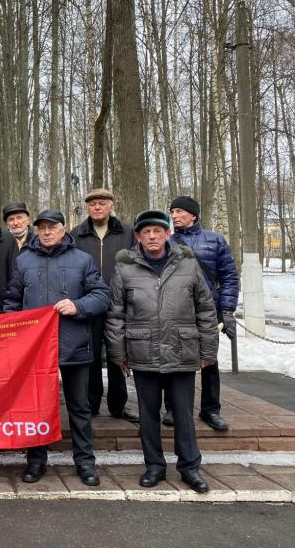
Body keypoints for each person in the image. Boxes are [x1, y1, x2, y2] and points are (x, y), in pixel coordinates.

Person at [106, 210, 217, 493]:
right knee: (148, 414)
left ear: (168, 234)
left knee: (183, 415)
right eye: (146, 232)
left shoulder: (189, 265)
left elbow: (205, 310)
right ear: (138, 237)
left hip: (182, 351)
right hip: (142, 353)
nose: (152, 236)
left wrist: (208, 351)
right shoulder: (125, 268)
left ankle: (190, 467)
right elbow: (116, 315)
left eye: (158, 231)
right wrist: (119, 354)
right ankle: (154, 466)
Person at [4, 209, 110, 487]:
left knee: (79, 408)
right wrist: (14, 335)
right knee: (36, 408)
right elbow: (12, 300)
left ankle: (85, 462)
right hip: (35, 349)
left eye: (52, 227)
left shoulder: (82, 260)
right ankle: (36, 461)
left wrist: (78, 306)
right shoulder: (24, 260)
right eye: (42, 228)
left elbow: (102, 295)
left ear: (64, 230)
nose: (47, 232)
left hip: (73, 344)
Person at [165, 195, 239, 431]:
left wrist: (227, 311)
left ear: (193, 214)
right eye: (172, 212)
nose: (174, 216)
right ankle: (173, 408)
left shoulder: (215, 241)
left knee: (209, 361)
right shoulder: (167, 241)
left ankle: (210, 409)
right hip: (175, 310)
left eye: (179, 211)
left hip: (208, 311)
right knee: (173, 360)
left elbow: (229, 277)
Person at [71, 188, 138, 423]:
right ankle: (91, 403)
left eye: (102, 203)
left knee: (117, 356)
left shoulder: (128, 233)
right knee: (90, 355)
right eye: (92, 204)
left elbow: (136, 265)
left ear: (111, 206)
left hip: (120, 305)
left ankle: (118, 405)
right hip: (88, 304)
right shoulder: (76, 235)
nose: (97, 207)